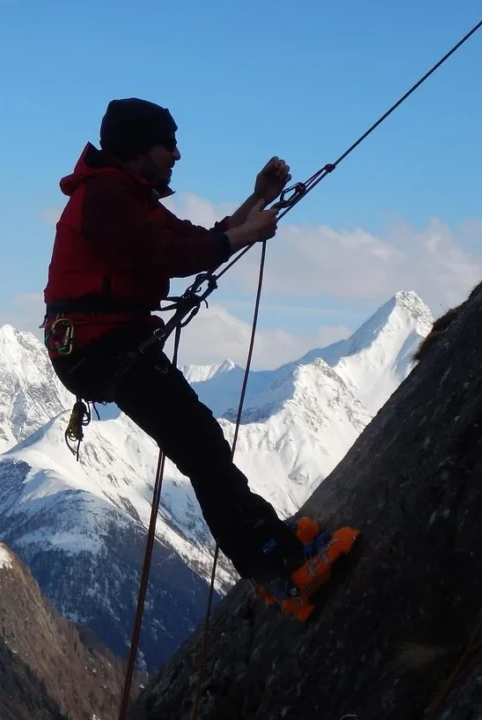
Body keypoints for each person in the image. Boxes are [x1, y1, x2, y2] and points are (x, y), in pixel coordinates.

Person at [41, 97, 308, 592]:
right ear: (138, 146)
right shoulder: (106, 198)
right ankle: (268, 557)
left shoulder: (126, 196)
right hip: (101, 346)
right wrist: (249, 233)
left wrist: (257, 202)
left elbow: (196, 240)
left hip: (100, 345)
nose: (176, 154)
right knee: (198, 441)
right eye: (168, 143)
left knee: (198, 439)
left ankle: (266, 544)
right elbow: (169, 252)